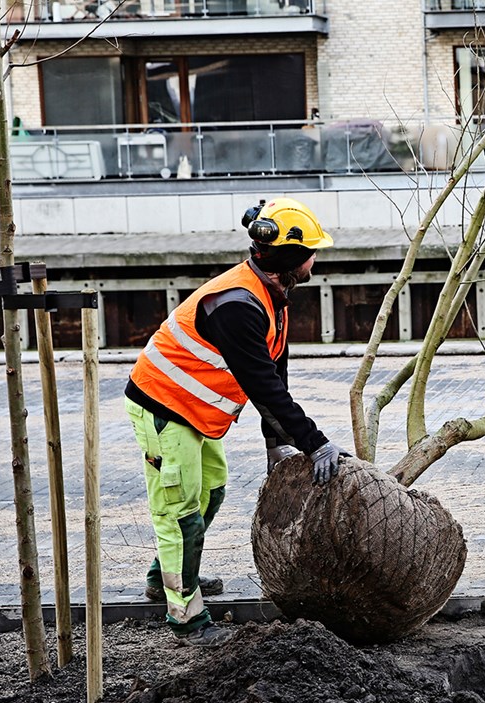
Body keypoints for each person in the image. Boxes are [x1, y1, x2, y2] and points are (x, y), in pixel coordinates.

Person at [124, 196, 348, 646]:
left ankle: (164, 577)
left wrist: (276, 442)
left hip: (192, 413)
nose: (315, 260)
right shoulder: (237, 304)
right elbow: (263, 385)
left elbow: (275, 369)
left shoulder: (272, 293)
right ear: (289, 258)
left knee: (212, 489)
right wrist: (315, 443)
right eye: (311, 253)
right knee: (180, 510)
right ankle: (186, 618)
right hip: (163, 407)